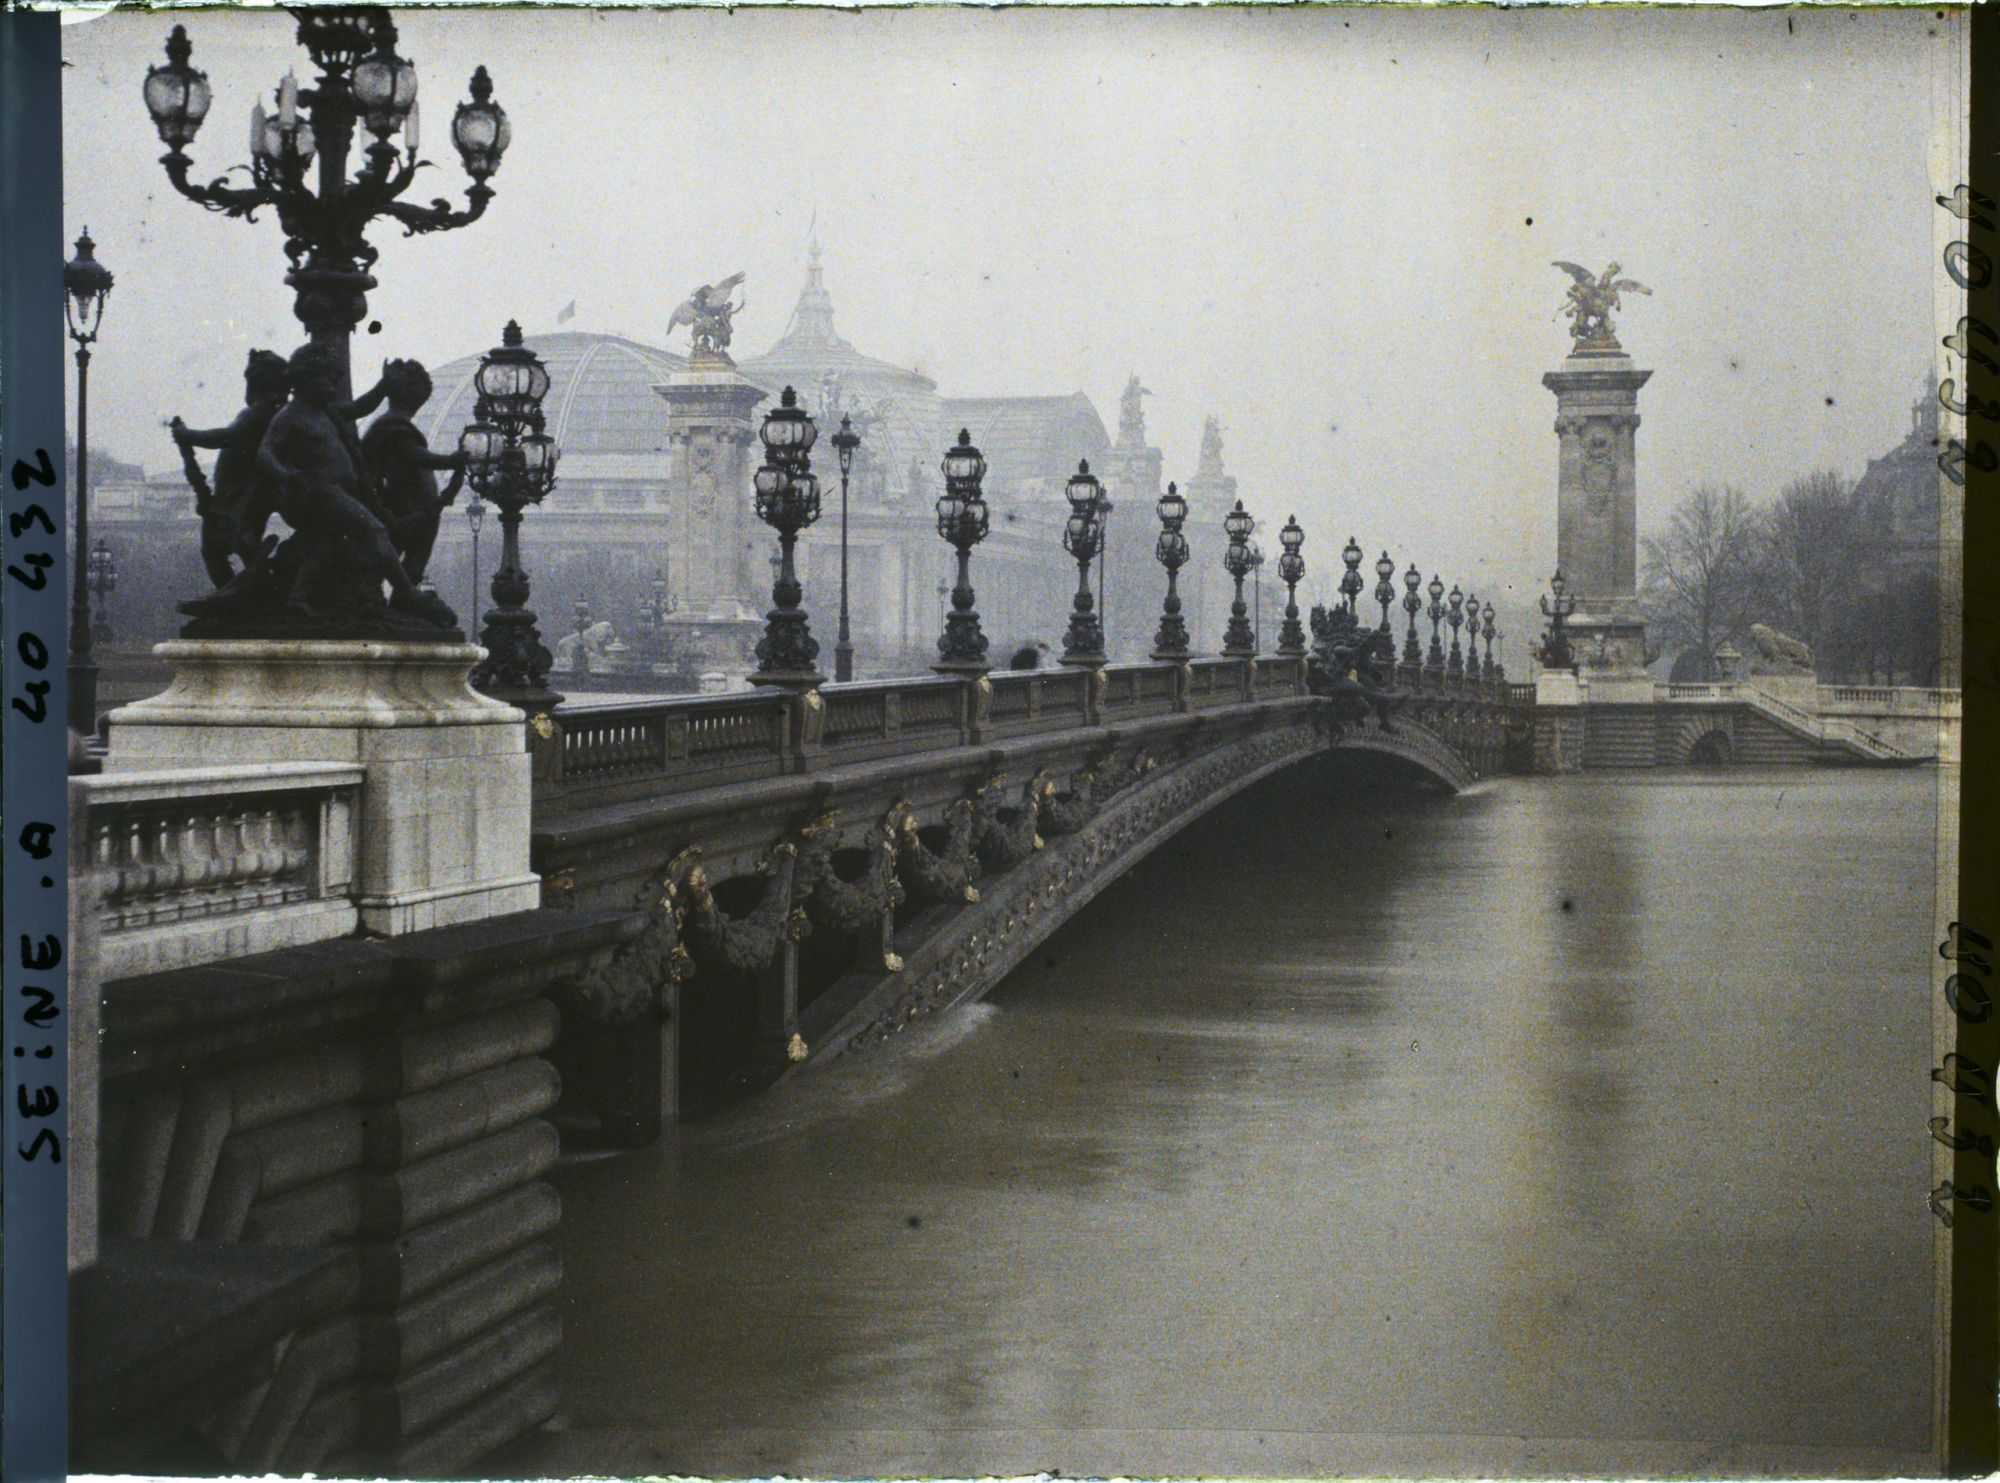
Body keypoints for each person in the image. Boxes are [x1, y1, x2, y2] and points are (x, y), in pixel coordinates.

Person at [254, 343, 456, 627]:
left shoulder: (327, 411)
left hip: (336, 492)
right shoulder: (292, 414)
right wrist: (284, 474)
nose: (335, 385)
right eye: (329, 379)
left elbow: (362, 406)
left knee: (327, 545)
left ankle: (298, 597)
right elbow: (265, 452)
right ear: (306, 377)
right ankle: (405, 589)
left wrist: (383, 385)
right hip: (320, 491)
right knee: (374, 529)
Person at [171, 349, 289, 587]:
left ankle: (243, 594)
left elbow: (227, 436)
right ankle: (253, 592)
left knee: (215, 548)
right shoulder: (269, 411)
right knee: (240, 544)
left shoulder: (259, 411)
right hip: (239, 491)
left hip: (240, 493)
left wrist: (187, 435)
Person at [356, 359, 466, 583]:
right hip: (406, 508)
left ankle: (399, 601)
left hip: (416, 507)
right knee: (401, 562)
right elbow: (415, 457)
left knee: (409, 564)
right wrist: (451, 460)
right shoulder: (393, 426)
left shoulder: (393, 424)